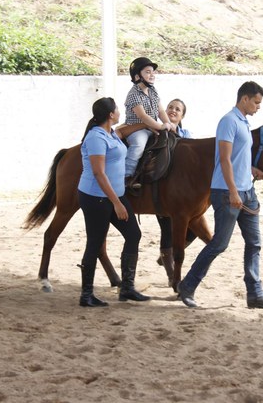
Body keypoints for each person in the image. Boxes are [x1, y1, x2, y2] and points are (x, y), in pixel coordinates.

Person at [177, 81, 263, 309]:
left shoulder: (244, 122)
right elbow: (223, 159)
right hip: (227, 192)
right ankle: (187, 286)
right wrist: (233, 191)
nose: (258, 107)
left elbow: (237, 158)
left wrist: (252, 171)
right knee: (219, 244)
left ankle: (255, 294)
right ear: (244, 99)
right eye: (256, 102)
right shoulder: (228, 121)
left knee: (254, 243)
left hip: (247, 192)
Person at [77, 97, 150, 307]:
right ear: (111, 114)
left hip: (114, 195)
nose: (119, 111)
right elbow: (99, 173)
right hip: (96, 198)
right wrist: (116, 203)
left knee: (133, 234)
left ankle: (127, 288)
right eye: (117, 109)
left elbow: (124, 131)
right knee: (95, 243)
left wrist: (146, 123)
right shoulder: (95, 138)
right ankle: (86, 294)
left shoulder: (110, 134)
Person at [156, 99, 197, 283]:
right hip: (162, 187)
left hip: (183, 191)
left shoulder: (186, 135)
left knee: (194, 230)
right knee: (167, 229)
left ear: (182, 116)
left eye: (177, 109)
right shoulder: (158, 129)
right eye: (170, 107)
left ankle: (168, 255)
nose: (173, 111)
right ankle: (172, 276)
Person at [124, 57, 175, 188]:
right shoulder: (133, 94)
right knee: (139, 145)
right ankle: (127, 176)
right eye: (147, 72)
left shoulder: (153, 90)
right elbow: (143, 116)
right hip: (137, 128)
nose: (152, 74)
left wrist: (169, 123)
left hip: (152, 127)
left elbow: (161, 111)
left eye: (153, 71)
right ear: (137, 76)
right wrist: (160, 126)